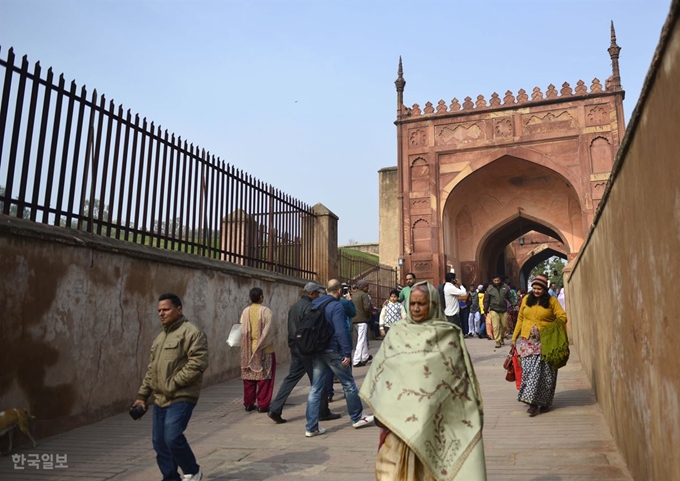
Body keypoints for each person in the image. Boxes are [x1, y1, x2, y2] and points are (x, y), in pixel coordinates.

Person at [360, 281, 487, 480]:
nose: (416, 308)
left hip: (436, 424)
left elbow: (461, 381)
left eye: (422, 304)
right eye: (413, 304)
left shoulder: (448, 335)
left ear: (434, 304)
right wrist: (379, 408)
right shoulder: (396, 333)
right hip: (397, 424)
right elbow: (384, 372)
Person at [132, 293, 208, 481]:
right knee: (160, 443)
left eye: (165, 309)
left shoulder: (192, 333)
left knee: (172, 437)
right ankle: (170, 478)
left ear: (179, 309)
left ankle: (193, 471)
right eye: (159, 310)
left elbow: (198, 363)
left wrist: (173, 383)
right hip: (160, 398)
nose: (161, 313)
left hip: (182, 396)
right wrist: (142, 396)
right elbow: (152, 370)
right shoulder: (159, 339)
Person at [305, 279, 374, 437]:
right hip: (333, 350)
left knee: (315, 388)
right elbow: (340, 330)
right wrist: (346, 352)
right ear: (339, 291)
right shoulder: (336, 305)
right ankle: (356, 417)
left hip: (318, 350)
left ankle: (311, 426)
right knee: (349, 384)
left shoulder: (315, 304)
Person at [268, 282, 341, 424]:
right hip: (307, 348)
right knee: (319, 379)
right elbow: (312, 330)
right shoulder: (310, 308)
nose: (318, 296)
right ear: (312, 293)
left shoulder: (294, 307)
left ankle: (275, 408)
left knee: (291, 378)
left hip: (295, 347)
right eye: (317, 294)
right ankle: (322, 411)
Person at [511, 274, 567, 416]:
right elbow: (520, 319)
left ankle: (545, 403)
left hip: (546, 342)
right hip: (528, 342)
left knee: (546, 373)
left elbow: (562, 316)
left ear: (544, 289)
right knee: (530, 371)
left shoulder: (552, 301)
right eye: (534, 288)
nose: (536, 291)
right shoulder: (526, 300)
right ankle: (533, 403)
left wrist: (551, 329)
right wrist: (514, 338)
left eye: (539, 289)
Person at [240, 287, 277, 413]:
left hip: (248, 349)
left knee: (249, 377)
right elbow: (272, 330)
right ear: (261, 297)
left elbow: (242, 327)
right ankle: (263, 404)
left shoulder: (245, 311)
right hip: (264, 349)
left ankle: (249, 403)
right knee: (265, 377)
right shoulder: (266, 311)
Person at [484, 274, 515, 349]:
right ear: (492, 280)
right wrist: (485, 310)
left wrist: (514, 304)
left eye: (498, 280)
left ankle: (501, 337)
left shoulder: (505, 288)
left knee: (504, 326)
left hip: (503, 309)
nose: (496, 282)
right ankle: (497, 341)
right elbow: (487, 300)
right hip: (494, 309)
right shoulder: (490, 289)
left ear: (500, 280)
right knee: (495, 326)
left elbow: (510, 297)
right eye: (495, 280)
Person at [351, 280, 373, 368]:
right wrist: (369, 316)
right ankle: (356, 360)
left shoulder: (353, 295)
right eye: (366, 286)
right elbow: (367, 307)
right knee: (360, 340)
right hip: (362, 320)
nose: (368, 288)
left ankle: (365, 356)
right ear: (363, 287)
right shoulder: (364, 295)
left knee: (362, 339)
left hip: (354, 320)